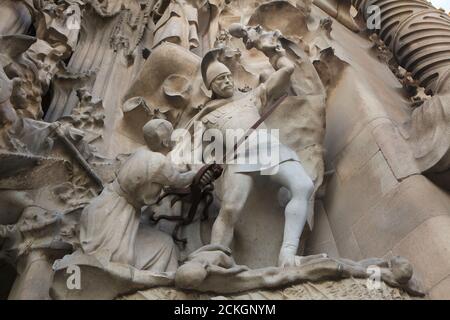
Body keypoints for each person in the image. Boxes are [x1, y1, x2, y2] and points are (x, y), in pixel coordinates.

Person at [184, 30, 314, 267]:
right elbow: (195, 152)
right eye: (220, 79)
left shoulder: (251, 97)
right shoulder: (205, 118)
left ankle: (288, 254)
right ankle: (216, 255)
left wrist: (273, 50)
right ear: (211, 87)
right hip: (237, 158)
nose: (226, 81)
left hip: (267, 147)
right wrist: (198, 172)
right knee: (230, 209)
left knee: (303, 185)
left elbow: (286, 71)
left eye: (227, 76)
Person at [79, 119, 198, 268]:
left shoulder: (140, 152)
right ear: (166, 142)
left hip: (103, 205)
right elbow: (178, 180)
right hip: (117, 214)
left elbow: (165, 174)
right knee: (116, 260)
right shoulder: (159, 162)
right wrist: (197, 172)